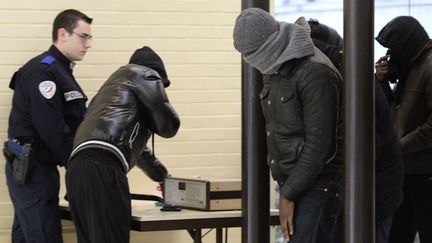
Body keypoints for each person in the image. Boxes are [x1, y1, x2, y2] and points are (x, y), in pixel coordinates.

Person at [233, 8, 344, 243]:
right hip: (294, 183)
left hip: (318, 184)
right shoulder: (275, 66)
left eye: (253, 53)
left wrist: (288, 193)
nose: (250, 60)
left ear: (270, 45)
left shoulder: (314, 71)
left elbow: (319, 145)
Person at [65, 46, 180, 243]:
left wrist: (163, 177)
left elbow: (139, 150)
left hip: (76, 171)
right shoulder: (145, 74)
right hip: (104, 169)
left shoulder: (109, 93)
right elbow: (169, 127)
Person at [3, 9, 92, 243]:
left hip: (39, 167)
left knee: (27, 235)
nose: (88, 44)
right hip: (33, 168)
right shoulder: (43, 71)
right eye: (83, 36)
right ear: (63, 34)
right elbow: (51, 127)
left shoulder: (60, 71)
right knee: (44, 235)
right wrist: (77, 165)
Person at [375, 16, 432, 243]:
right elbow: (391, 114)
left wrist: (398, 147)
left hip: (425, 171)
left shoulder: (428, 67)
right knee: (396, 235)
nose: (389, 56)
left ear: (406, 45)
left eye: (393, 49)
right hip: (405, 170)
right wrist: (381, 82)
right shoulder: (410, 66)